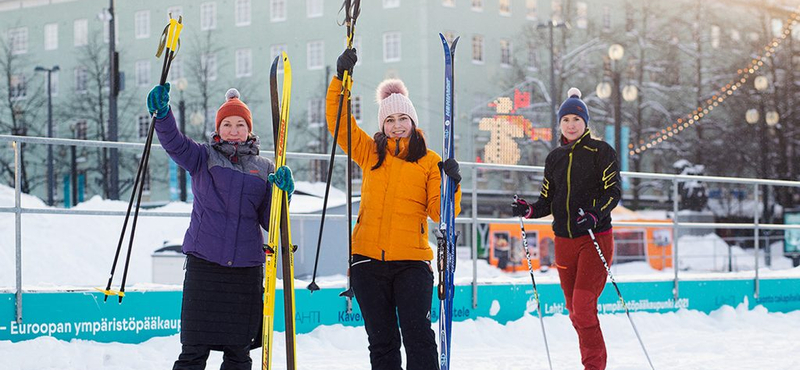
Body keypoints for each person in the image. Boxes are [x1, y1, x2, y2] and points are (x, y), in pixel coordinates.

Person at [327, 48, 462, 370]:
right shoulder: (370, 152)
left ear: (412, 121)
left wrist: (451, 186)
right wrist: (340, 81)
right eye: (389, 119)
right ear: (382, 124)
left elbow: (438, 213)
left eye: (403, 119)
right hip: (367, 261)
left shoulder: (429, 161)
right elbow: (339, 121)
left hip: (411, 263)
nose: (397, 125)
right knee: (382, 341)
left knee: (418, 336)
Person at [147, 84, 295, 370]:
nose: (234, 129)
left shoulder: (265, 168)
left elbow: (270, 220)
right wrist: (163, 115)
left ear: (249, 130)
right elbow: (174, 143)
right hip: (205, 264)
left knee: (239, 352)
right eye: (227, 123)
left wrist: (283, 194)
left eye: (240, 124)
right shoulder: (203, 157)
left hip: (245, 270)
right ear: (219, 128)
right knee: (193, 350)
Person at [511, 88, 621, 370]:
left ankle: (594, 367)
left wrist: (595, 215)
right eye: (565, 119)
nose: (571, 124)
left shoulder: (601, 152)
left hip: (594, 238)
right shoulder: (555, 158)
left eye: (576, 118)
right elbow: (548, 200)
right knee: (575, 311)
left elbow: (613, 192)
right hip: (564, 241)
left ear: (585, 122)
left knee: (583, 306)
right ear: (560, 124)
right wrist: (529, 210)